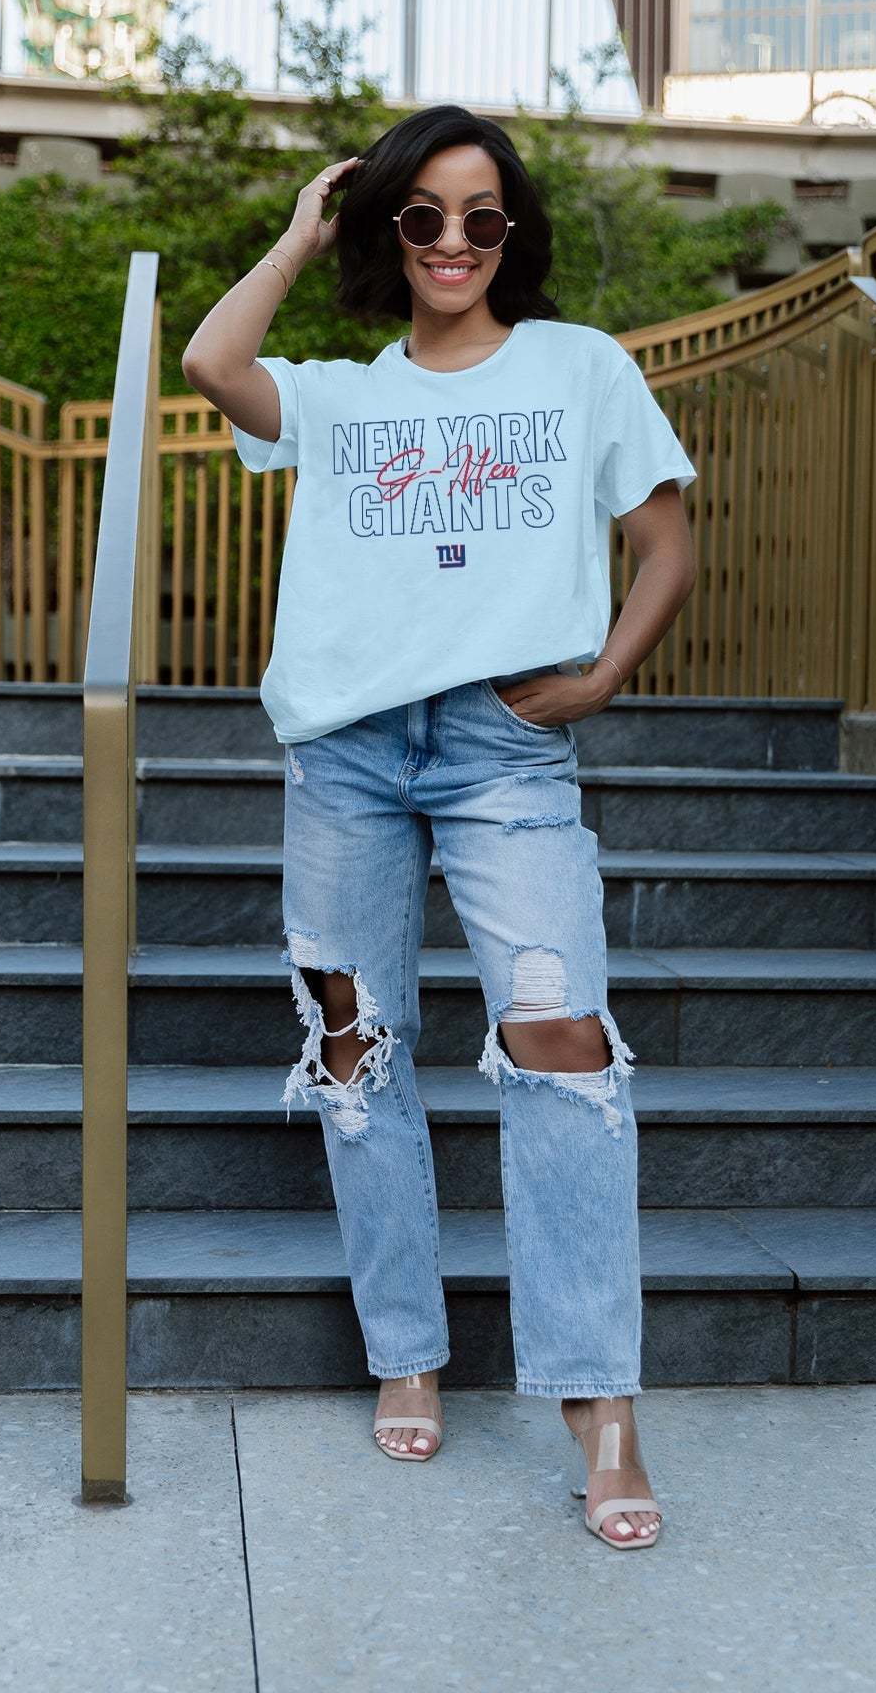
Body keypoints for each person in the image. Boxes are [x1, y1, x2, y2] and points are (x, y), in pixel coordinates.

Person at [181, 103, 697, 1550]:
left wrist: (601, 676)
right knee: (357, 1047)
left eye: (480, 216)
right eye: (421, 216)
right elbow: (212, 364)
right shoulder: (341, 399)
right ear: (388, 234)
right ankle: (405, 1347)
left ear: (510, 233)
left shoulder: (580, 368)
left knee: (562, 1038)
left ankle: (600, 1406)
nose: (452, 241)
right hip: (347, 749)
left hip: (501, 747)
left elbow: (665, 542)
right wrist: (302, 230)